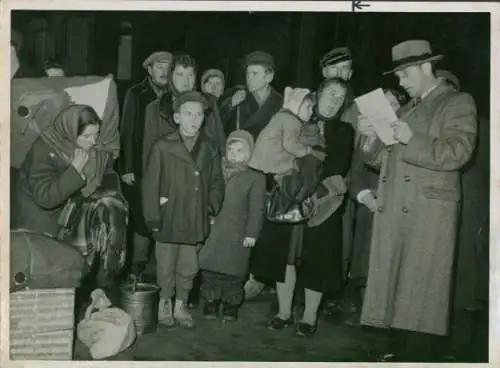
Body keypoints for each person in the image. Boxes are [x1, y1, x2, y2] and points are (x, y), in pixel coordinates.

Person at [358, 40, 477, 361]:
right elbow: (380, 159)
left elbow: (458, 152)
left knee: (421, 300)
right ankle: (397, 353)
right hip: (398, 208)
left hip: (428, 215)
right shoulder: (408, 108)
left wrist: (412, 138)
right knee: (398, 298)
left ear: (427, 67)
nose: (401, 81)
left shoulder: (457, 102)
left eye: (406, 73)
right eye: (398, 76)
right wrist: (368, 136)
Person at [250, 77, 354, 337]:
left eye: (341, 98)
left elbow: (335, 166)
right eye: (331, 94)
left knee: (316, 259)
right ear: (318, 94)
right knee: (286, 256)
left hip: (322, 202)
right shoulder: (297, 118)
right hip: (290, 198)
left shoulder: (343, 130)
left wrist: (302, 178)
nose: (334, 102)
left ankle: (309, 316)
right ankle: (283, 312)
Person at [142, 91, 225, 329]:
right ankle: (164, 303)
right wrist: (153, 217)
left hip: (194, 216)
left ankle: (181, 303)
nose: (194, 119)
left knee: (189, 266)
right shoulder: (162, 146)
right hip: (168, 215)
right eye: (188, 113)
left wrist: (211, 206)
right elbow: (150, 185)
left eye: (199, 114)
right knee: (165, 263)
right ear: (177, 118)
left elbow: (217, 181)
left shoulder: (208, 147)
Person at [343, 88, 408, 326]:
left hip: (393, 205)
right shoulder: (365, 132)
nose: (389, 109)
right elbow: (355, 170)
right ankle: (362, 307)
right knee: (364, 257)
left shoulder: (402, 133)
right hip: (367, 205)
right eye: (385, 104)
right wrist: (366, 197)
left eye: (394, 105)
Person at [437, 69, 489, 356]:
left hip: (470, 212)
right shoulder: (431, 125)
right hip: (439, 209)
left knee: (465, 276)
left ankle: (461, 344)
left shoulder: (482, 127)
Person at [198, 130, 266, 321]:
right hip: (214, 230)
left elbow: (256, 209)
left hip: (238, 233)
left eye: (240, 150)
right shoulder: (216, 171)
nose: (234, 153)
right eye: (231, 149)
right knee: (209, 268)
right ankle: (211, 301)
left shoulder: (255, 178)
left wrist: (252, 233)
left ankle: (230, 303)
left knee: (234, 273)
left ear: (250, 153)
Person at [118, 51, 173, 276]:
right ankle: (137, 267)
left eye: (168, 67)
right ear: (149, 70)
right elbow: (127, 131)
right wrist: (126, 167)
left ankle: (164, 270)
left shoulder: (175, 94)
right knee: (141, 215)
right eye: (159, 66)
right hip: (141, 165)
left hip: (168, 166)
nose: (164, 71)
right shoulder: (136, 93)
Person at [14, 105, 102, 237]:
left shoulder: (72, 144)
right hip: (37, 223)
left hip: (60, 215)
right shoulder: (43, 149)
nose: (93, 141)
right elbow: (45, 198)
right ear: (70, 130)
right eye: (87, 136)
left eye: (96, 134)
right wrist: (75, 170)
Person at [248, 87, 323, 183]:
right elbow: (290, 145)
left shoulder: (283, 116)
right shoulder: (291, 121)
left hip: (259, 163)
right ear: (296, 105)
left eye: (312, 108)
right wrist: (308, 151)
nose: (311, 112)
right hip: (267, 167)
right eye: (308, 107)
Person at [220, 51, 283, 141]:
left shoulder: (280, 102)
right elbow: (217, 125)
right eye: (247, 73)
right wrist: (230, 104)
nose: (249, 78)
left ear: (269, 77)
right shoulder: (235, 96)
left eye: (254, 73)